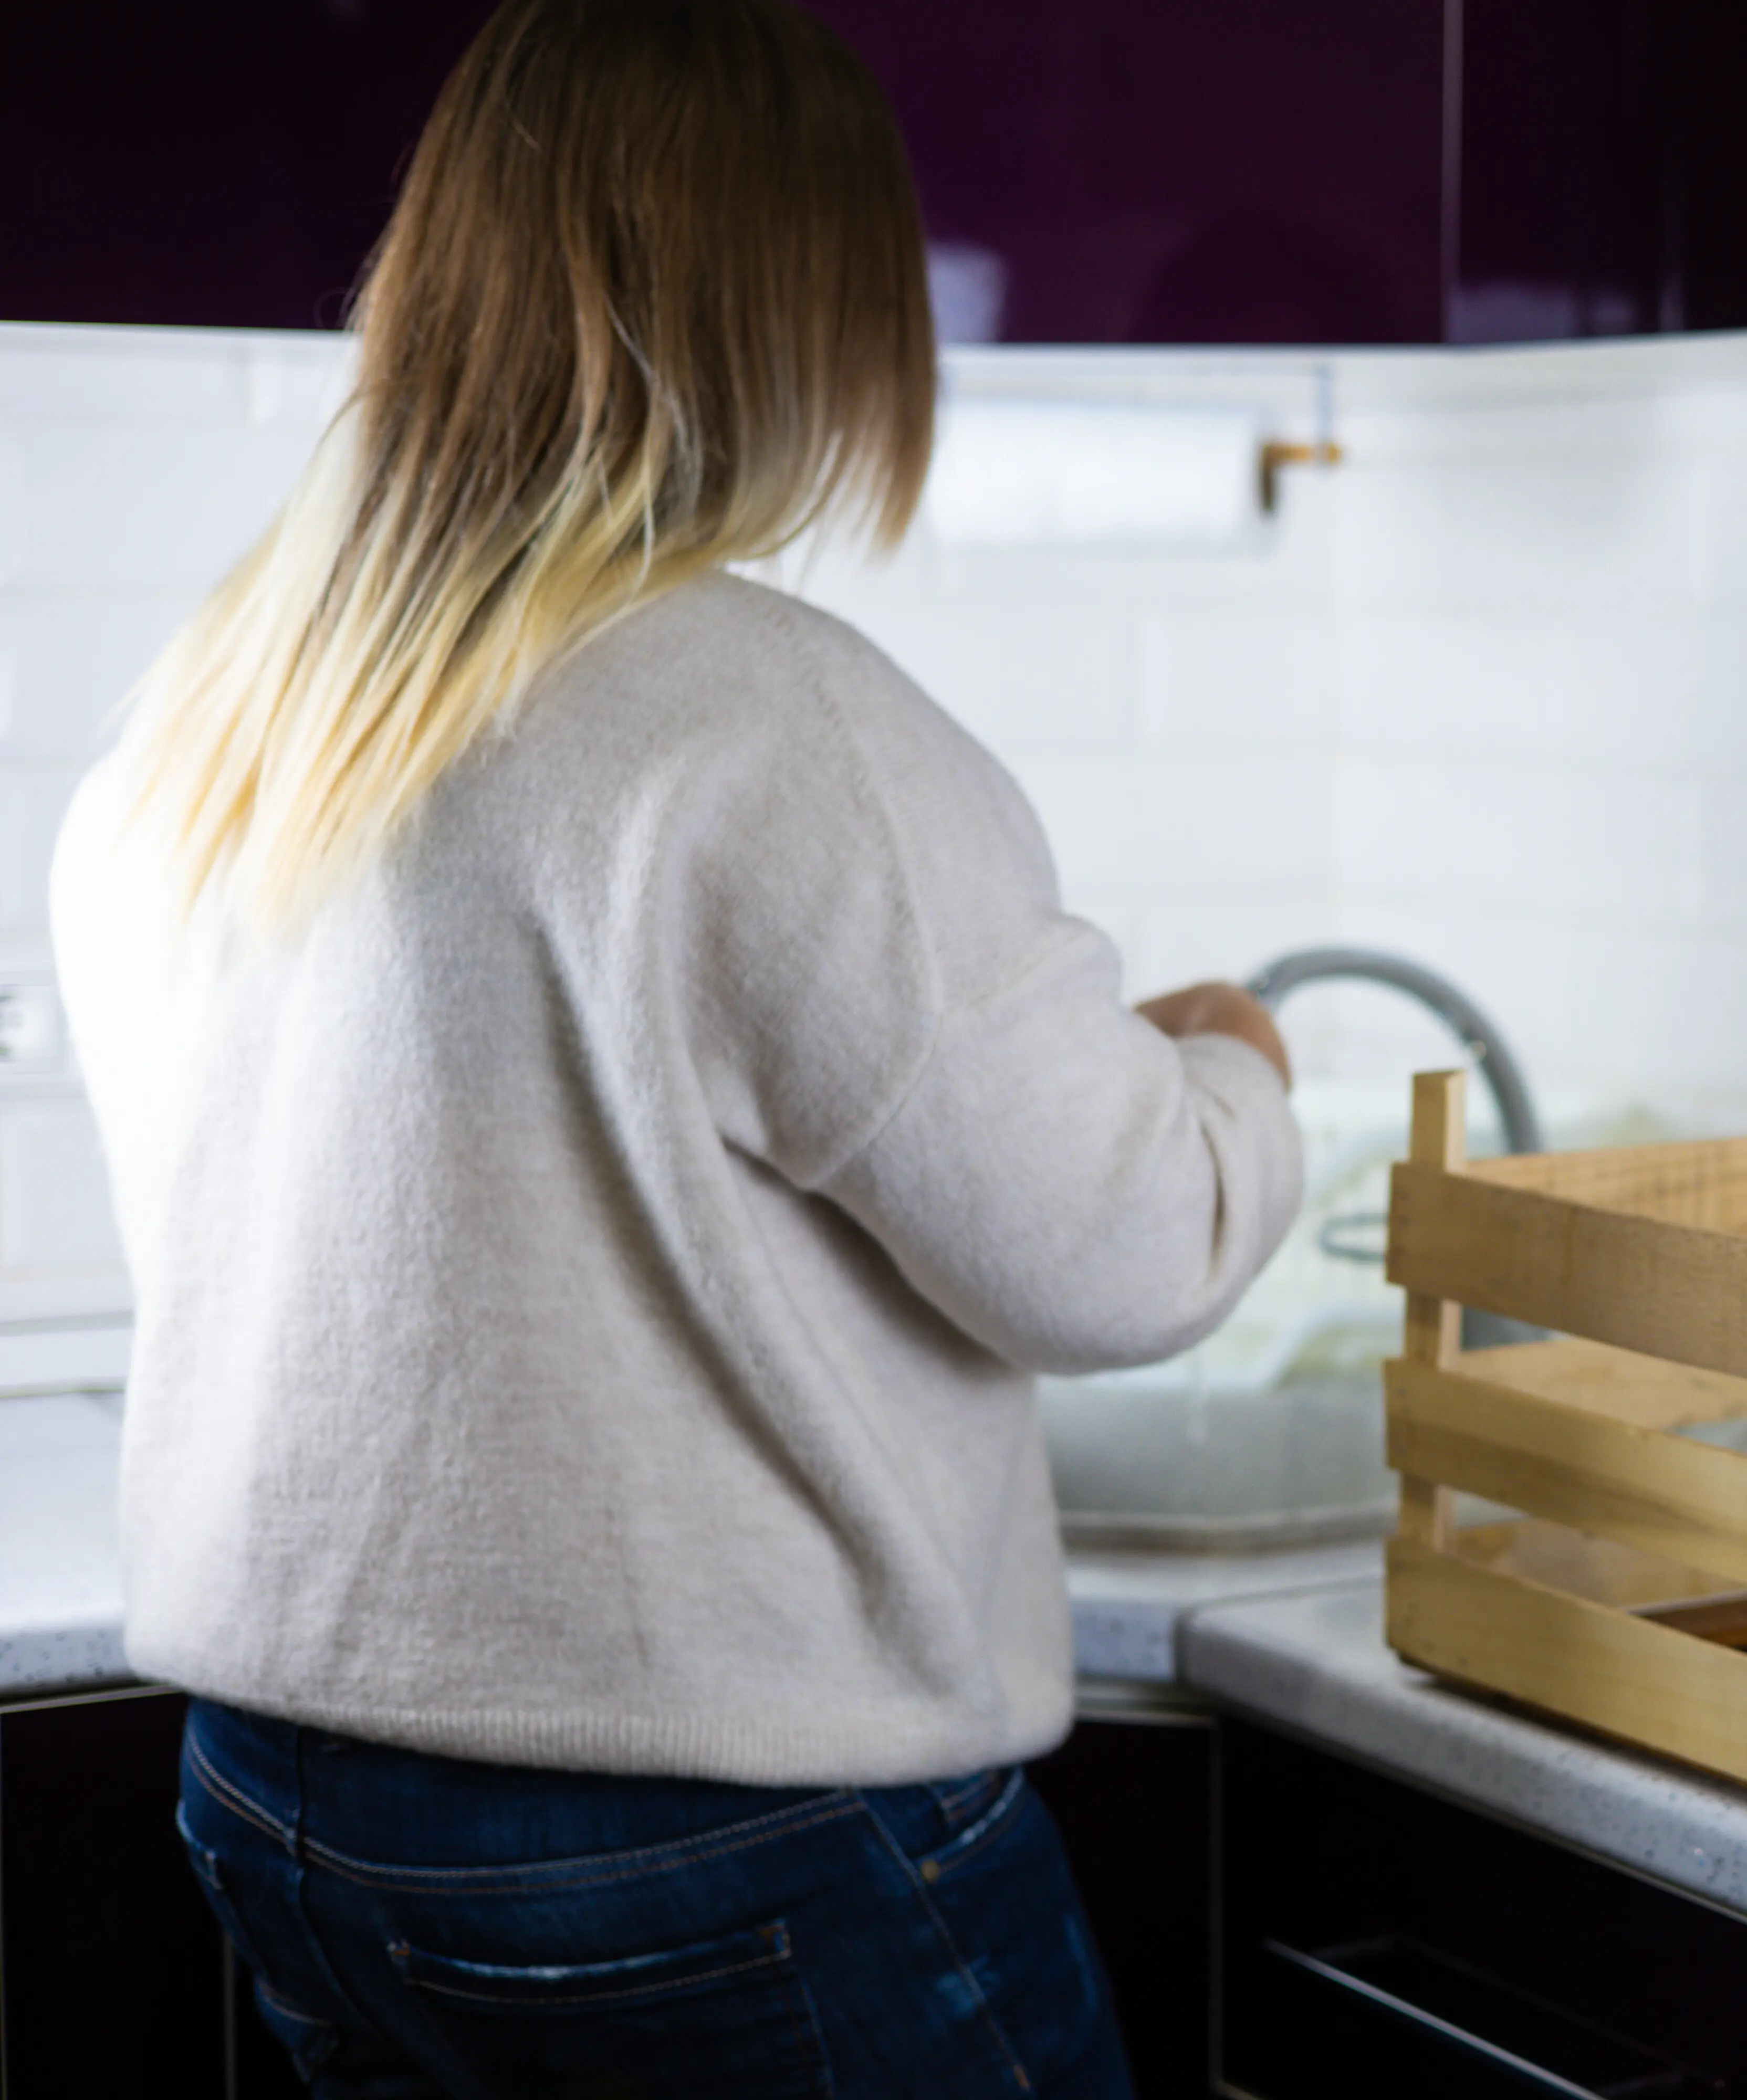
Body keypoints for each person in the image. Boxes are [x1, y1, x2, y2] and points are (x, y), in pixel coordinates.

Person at [47, 2, 1302, 2091]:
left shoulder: (215, 714)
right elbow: (1120, 1243)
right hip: (709, 1842)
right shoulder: (763, 724)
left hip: (287, 1808)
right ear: (809, 321)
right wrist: (1239, 1069)